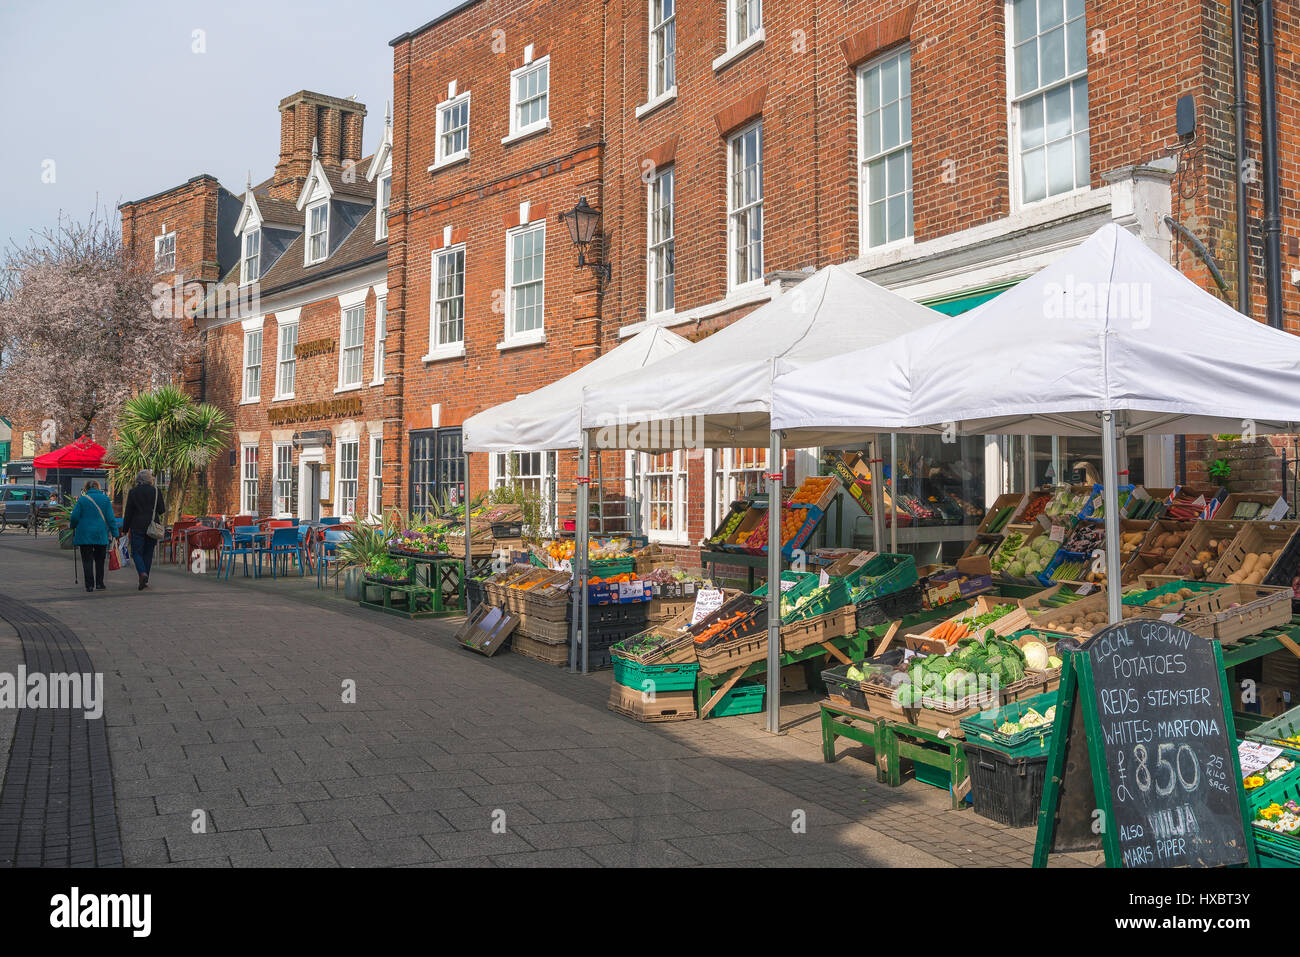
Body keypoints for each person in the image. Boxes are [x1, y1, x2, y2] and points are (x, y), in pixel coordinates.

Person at [68, 480, 118, 593]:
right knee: (100, 560)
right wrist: (115, 533)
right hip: (100, 534)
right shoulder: (105, 500)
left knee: (87, 560)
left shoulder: (82, 500)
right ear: (98, 487)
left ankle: (89, 585)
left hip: (84, 534)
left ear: (86, 488)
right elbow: (111, 519)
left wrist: (72, 526)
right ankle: (100, 583)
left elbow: (74, 517)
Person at [121, 469, 166, 591]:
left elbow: (128, 512)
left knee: (136, 553)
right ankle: (145, 579)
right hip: (152, 526)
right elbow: (162, 509)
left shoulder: (133, 492)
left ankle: (142, 573)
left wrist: (125, 529)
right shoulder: (156, 491)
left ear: (138, 480)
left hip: (137, 526)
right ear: (150, 479)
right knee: (148, 553)